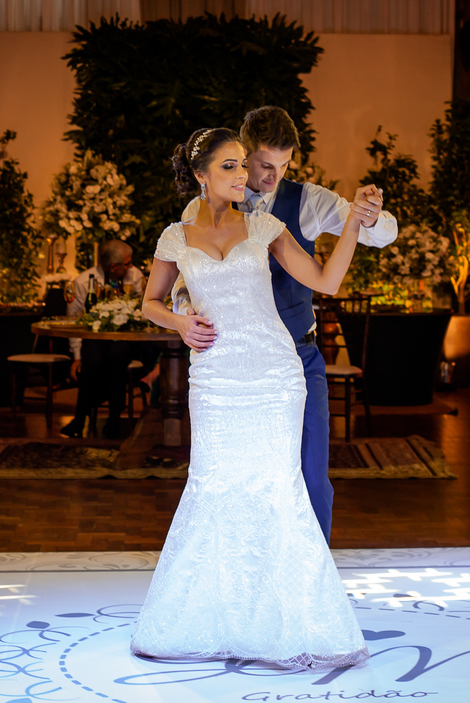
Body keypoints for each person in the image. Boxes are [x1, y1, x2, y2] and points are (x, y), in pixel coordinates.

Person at [130, 127, 374, 669]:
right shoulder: (174, 236)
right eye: (230, 168)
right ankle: (220, 618)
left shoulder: (265, 226)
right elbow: (149, 301)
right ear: (200, 175)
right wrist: (178, 321)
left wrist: (353, 224)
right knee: (214, 485)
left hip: (273, 376)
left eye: (245, 165)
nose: (245, 176)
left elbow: (327, 280)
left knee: (276, 489)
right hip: (215, 379)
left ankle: (284, 621)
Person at [174, 106, 395, 542]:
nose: (273, 177)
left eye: (284, 165)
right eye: (263, 165)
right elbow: (186, 283)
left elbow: (375, 233)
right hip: (232, 366)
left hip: (296, 356)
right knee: (237, 479)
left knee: (311, 474)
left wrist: (369, 215)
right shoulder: (202, 211)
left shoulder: (308, 201)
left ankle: (312, 584)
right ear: (242, 153)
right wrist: (183, 315)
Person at [60, 239, 147, 437]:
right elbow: (74, 320)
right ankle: (80, 418)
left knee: (116, 357)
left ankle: (114, 420)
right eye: (127, 263)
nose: (131, 266)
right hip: (96, 338)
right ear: (113, 266)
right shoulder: (84, 282)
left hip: (127, 338)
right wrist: (77, 358)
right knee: (91, 358)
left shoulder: (135, 277)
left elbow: (145, 309)